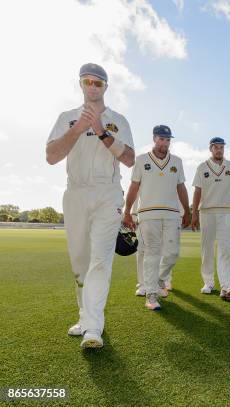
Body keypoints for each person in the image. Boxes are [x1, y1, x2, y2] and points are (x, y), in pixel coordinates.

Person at [46, 63, 135, 348]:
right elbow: (51, 156)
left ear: (106, 87)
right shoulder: (67, 118)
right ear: (81, 84)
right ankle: (85, 317)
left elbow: (130, 159)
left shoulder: (117, 119)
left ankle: (94, 328)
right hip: (76, 193)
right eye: (88, 82)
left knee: (100, 261)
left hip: (108, 194)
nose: (93, 87)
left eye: (98, 83)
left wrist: (101, 132)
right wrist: (80, 128)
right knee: (80, 261)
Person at [123, 125, 190, 310]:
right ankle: (151, 295)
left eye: (167, 139)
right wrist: (127, 211)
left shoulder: (177, 161)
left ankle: (159, 280)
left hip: (172, 214)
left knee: (173, 253)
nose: (164, 143)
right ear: (154, 138)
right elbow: (134, 187)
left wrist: (188, 210)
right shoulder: (142, 160)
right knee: (152, 253)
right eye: (161, 139)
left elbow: (181, 187)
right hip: (148, 213)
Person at [191, 137, 230, 299]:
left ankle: (226, 286)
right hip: (206, 212)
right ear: (211, 149)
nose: (219, 150)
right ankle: (208, 282)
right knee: (207, 249)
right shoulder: (202, 167)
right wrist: (194, 214)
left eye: (222, 147)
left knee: (225, 249)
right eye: (216, 147)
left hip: (226, 211)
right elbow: (197, 191)